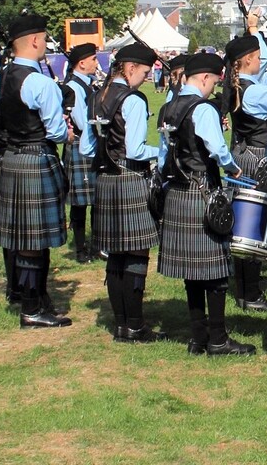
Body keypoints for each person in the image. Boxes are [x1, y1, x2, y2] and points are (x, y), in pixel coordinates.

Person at [157, 52, 254, 356]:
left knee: (192, 274)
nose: (214, 88)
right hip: (202, 193)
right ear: (203, 78)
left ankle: (198, 338)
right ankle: (218, 339)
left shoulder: (168, 107)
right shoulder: (202, 108)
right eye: (213, 81)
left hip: (177, 193)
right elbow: (216, 147)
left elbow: (163, 157)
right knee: (214, 274)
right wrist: (232, 168)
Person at [82, 42, 166, 342]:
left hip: (104, 179)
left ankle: (120, 324)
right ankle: (135, 325)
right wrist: (165, 152)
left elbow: (85, 147)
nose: (145, 78)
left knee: (115, 254)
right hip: (129, 178)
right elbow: (135, 149)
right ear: (129, 68)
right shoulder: (133, 99)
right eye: (144, 73)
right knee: (136, 253)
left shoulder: (96, 96)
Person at [0, 14, 73, 328]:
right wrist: (67, 134)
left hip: (12, 158)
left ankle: (37, 300)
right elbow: (55, 131)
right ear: (35, 41)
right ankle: (32, 308)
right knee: (34, 240)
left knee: (25, 238)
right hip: (36, 159)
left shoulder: (3, 75)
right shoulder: (40, 83)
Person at [221, 28, 267, 312]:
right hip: (258, 157)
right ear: (248, 60)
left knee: (243, 225)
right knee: (252, 227)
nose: (261, 61)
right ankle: (250, 294)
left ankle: (246, 290)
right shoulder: (255, 93)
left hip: (241, 153)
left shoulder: (239, 86)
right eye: (259, 57)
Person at [62, 43, 100, 263]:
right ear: (82, 63)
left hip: (91, 144)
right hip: (80, 144)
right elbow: (81, 121)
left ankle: (96, 244)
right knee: (79, 202)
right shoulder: (74, 87)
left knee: (95, 199)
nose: (97, 63)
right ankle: (80, 248)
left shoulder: (90, 85)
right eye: (93, 59)